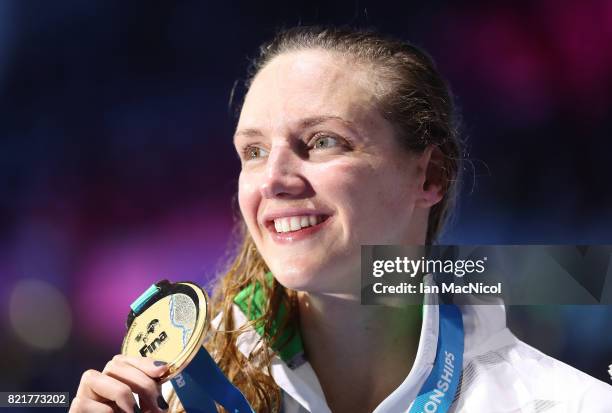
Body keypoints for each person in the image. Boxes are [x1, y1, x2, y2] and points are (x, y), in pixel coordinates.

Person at [70, 25, 612, 413]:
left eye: (322, 142)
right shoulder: (176, 395)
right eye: (253, 151)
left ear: (430, 177)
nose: (274, 179)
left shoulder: (569, 403)